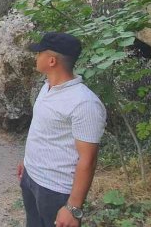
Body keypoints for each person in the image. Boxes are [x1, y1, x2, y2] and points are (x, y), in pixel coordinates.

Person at [16, 33, 107, 227]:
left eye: (39, 53)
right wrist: (27, 162)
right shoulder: (47, 87)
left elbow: (88, 160)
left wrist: (73, 208)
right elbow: (40, 132)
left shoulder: (84, 103)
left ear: (51, 60)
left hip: (55, 191)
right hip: (31, 179)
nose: (35, 57)